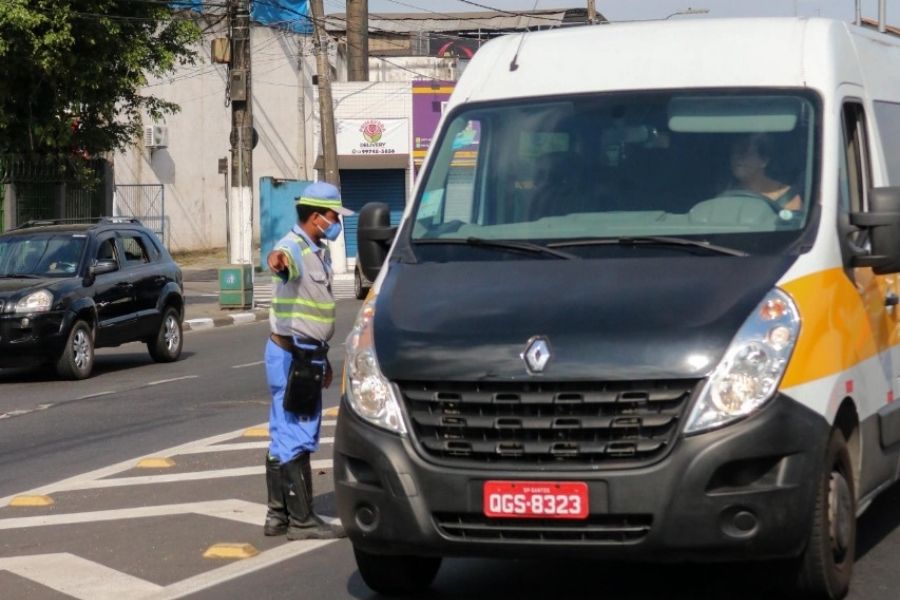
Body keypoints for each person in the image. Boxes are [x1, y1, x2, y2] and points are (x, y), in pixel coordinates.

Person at [263, 181, 353, 541]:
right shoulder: (294, 248)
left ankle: (278, 515)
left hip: (302, 353)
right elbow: (279, 261)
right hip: (293, 356)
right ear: (316, 217)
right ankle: (302, 521)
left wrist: (325, 359)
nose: (336, 222)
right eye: (333, 216)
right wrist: (277, 261)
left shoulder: (317, 249)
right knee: (297, 433)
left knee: (281, 431)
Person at [727, 132, 802, 213]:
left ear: (764, 161)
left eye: (744, 153)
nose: (738, 158)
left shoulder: (787, 198)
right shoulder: (724, 197)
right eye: (734, 153)